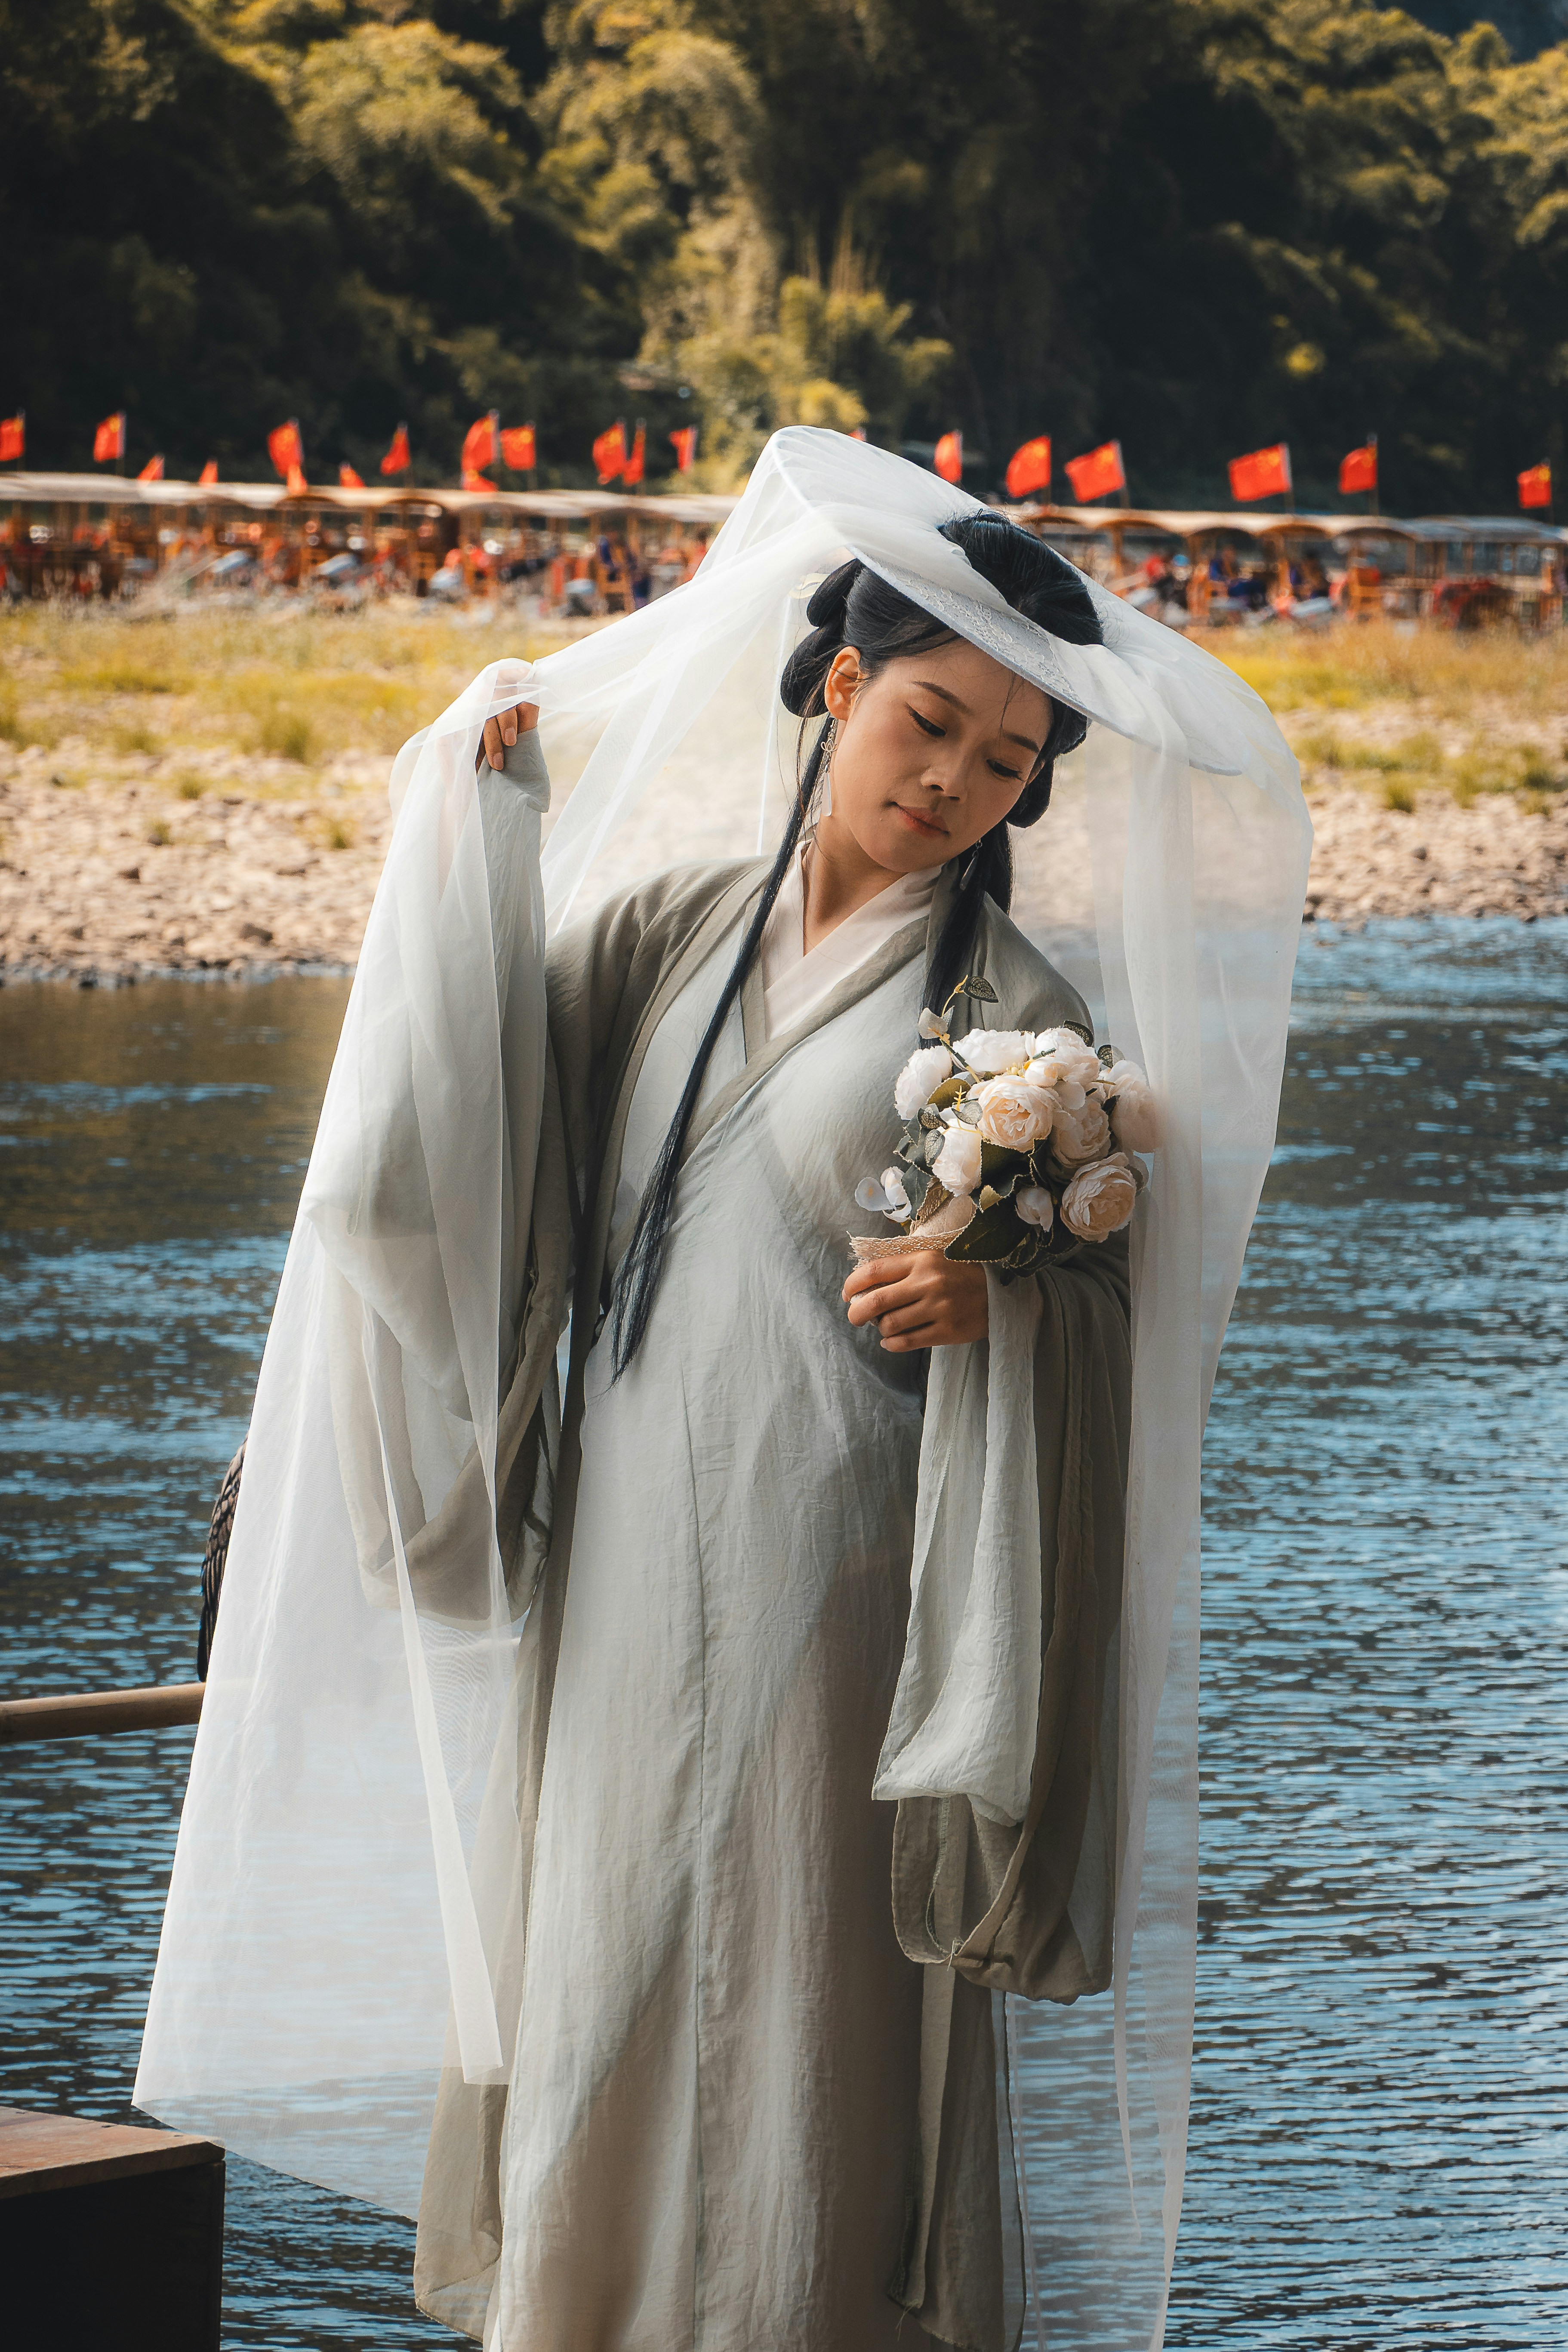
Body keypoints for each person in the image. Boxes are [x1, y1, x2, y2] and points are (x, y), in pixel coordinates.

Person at [137, 429, 1309, 2352]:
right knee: (601, 1962)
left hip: (845, 1577)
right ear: (842, 685)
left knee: (798, 1981)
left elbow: (1114, 1319)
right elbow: (479, 1119)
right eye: (931, 722)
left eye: (1006, 762)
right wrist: (480, 838)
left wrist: (998, 1302)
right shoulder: (670, 922)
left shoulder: (1014, 1023)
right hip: (624, 1554)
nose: (955, 782)